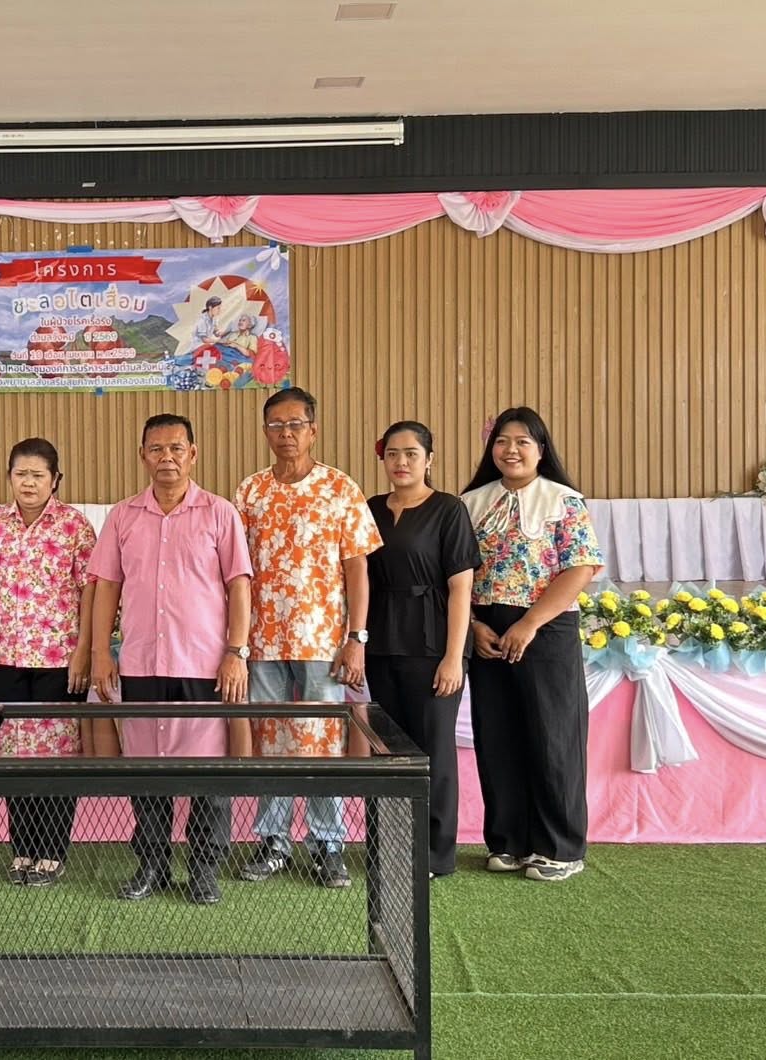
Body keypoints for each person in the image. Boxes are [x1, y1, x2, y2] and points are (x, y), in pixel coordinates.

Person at [90, 413, 252, 906]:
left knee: (209, 773)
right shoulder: (123, 516)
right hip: (141, 663)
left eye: (176, 448)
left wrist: (236, 651)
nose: (167, 458)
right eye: (156, 449)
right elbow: (106, 587)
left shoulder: (220, 513)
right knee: (146, 770)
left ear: (193, 454)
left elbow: (239, 585)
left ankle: (204, 868)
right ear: (142, 456)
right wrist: (100, 652)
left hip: (204, 665)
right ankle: (153, 864)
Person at [235, 387, 381, 890]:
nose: (286, 434)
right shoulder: (249, 492)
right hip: (262, 640)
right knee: (271, 738)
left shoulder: (340, 488)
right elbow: (236, 572)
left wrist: (356, 637)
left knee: (322, 741)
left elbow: (357, 569)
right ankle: (273, 839)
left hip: (323, 641)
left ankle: (327, 843)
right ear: (265, 432)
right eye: (276, 425)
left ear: (313, 430)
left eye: (295, 424)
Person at [461, 406, 603, 883]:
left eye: (523, 441)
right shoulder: (471, 502)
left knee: (552, 736)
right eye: (503, 441)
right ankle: (508, 842)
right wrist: (473, 626)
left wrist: (530, 624)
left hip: (546, 628)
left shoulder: (564, 500)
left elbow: (579, 568)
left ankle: (559, 847)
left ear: (541, 450)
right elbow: (455, 573)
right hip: (487, 632)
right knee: (497, 737)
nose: (511, 450)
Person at [0, 438, 97, 888]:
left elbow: (91, 591)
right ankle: (23, 848)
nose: (29, 483)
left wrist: (84, 651)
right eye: (21, 474)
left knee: (58, 755)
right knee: (12, 753)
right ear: (9, 477)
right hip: (4, 656)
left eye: (38, 475)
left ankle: (52, 852)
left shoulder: (75, 526)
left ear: (56, 479)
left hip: (61, 660)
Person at [364, 421, 479, 879]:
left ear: (428, 459)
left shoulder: (449, 510)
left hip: (433, 646)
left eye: (411, 453)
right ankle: (388, 847)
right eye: (393, 453)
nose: (401, 462)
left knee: (433, 749)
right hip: (381, 643)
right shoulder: (371, 509)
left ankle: (433, 853)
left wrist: (454, 657)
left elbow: (461, 588)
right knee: (386, 750)